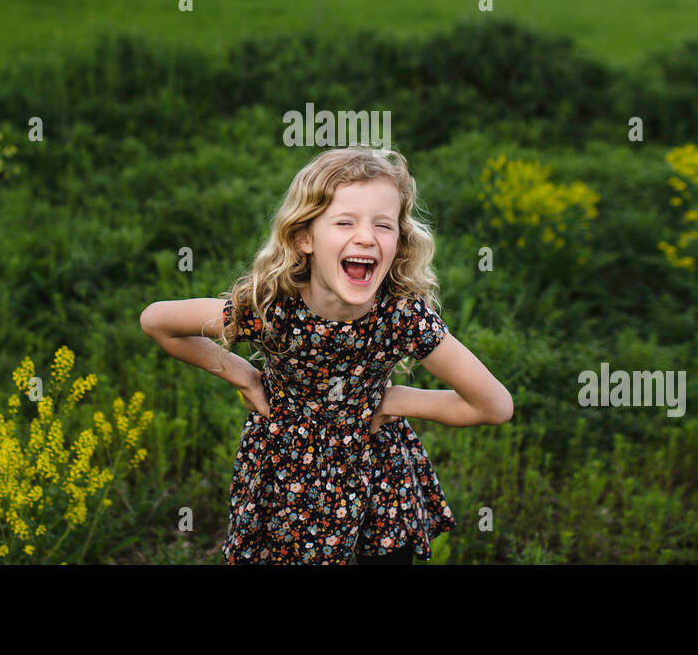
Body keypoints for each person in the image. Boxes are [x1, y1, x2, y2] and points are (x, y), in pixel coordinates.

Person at [140, 145, 513, 564]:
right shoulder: (272, 309)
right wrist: (242, 374)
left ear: (399, 242)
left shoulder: (401, 316)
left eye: (384, 225)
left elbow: (496, 405)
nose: (366, 237)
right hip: (288, 471)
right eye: (345, 222)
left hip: (377, 466)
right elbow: (157, 321)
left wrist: (398, 400)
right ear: (304, 237)